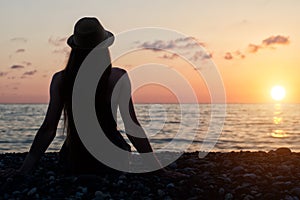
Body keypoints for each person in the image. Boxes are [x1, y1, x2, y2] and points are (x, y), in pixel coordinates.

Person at [2, 17, 159, 176]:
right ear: (105, 47)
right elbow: (132, 127)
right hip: (114, 159)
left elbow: (48, 129)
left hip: (74, 160)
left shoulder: (61, 80)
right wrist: (158, 169)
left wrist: (24, 169)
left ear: (75, 49)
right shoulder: (118, 77)